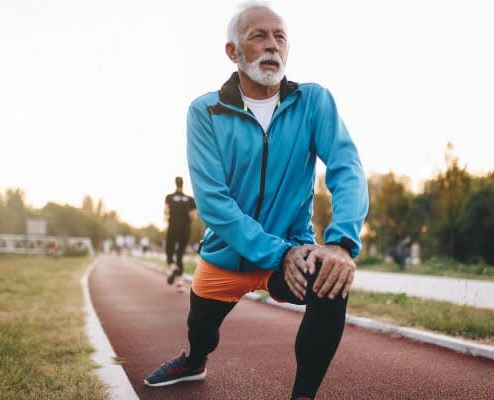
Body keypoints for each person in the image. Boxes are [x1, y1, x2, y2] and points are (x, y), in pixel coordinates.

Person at [144, 3, 368, 399]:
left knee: (332, 282)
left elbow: (346, 168)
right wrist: (277, 253)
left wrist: (340, 243)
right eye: (258, 36)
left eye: (280, 37)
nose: (272, 46)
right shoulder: (205, 111)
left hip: (293, 251)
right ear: (232, 51)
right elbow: (214, 203)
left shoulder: (314, 102)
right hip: (227, 254)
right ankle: (194, 359)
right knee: (202, 331)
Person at [164, 176, 198, 292]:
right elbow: (194, 217)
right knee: (179, 255)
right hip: (185, 229)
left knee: (169, 253)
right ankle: (180, 284)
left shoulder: (169, 197)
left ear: (175, 184)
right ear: (183, 184)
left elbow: (166, 211)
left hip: (173, 227)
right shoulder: (189, 199)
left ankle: (173, 268)